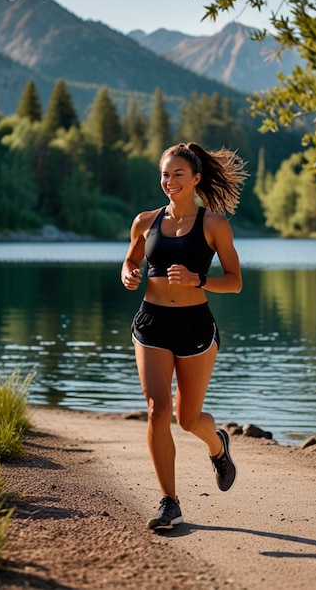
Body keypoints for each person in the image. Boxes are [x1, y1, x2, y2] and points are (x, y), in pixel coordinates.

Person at [121, 142, 249, 531]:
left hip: (195, 326)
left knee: (188, 418)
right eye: (165, 174)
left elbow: (236, 282)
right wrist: (128, 272)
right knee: (158, 411)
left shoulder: (214, 225)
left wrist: (199, 280)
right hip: (151, 324)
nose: (170, 181)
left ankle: (218, 446)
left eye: (178, 174)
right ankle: (169, 502)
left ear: (195, 179)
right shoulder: (145, 221)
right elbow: (132, 258)